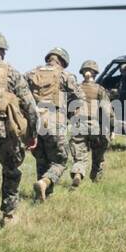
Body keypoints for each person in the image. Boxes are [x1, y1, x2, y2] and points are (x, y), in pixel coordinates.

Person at [0, 32, 38, 226]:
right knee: (11, 171)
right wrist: (32, 134)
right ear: (3, 51)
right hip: (7, 131)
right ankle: (9, 215)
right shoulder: (12, 72)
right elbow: (30, 107)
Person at [25, 47, 84, 201]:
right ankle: (45, 183)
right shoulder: (65, 75)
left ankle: (43, 196)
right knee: (60, 161)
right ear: (63, 62)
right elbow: (78, 98)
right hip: (55, 123)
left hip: (35, 124)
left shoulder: (31, 74)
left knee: (41, 159)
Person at [72, 60, 115, 182]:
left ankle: (78, 173)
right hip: (96, 126)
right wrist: (112, 129)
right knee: (98, 156)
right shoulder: (100, 90)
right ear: (95, 73)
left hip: (79, 125)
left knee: (79, 155)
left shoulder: (76, 89)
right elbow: (108, 112)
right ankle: (96, 180)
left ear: (82, 73)